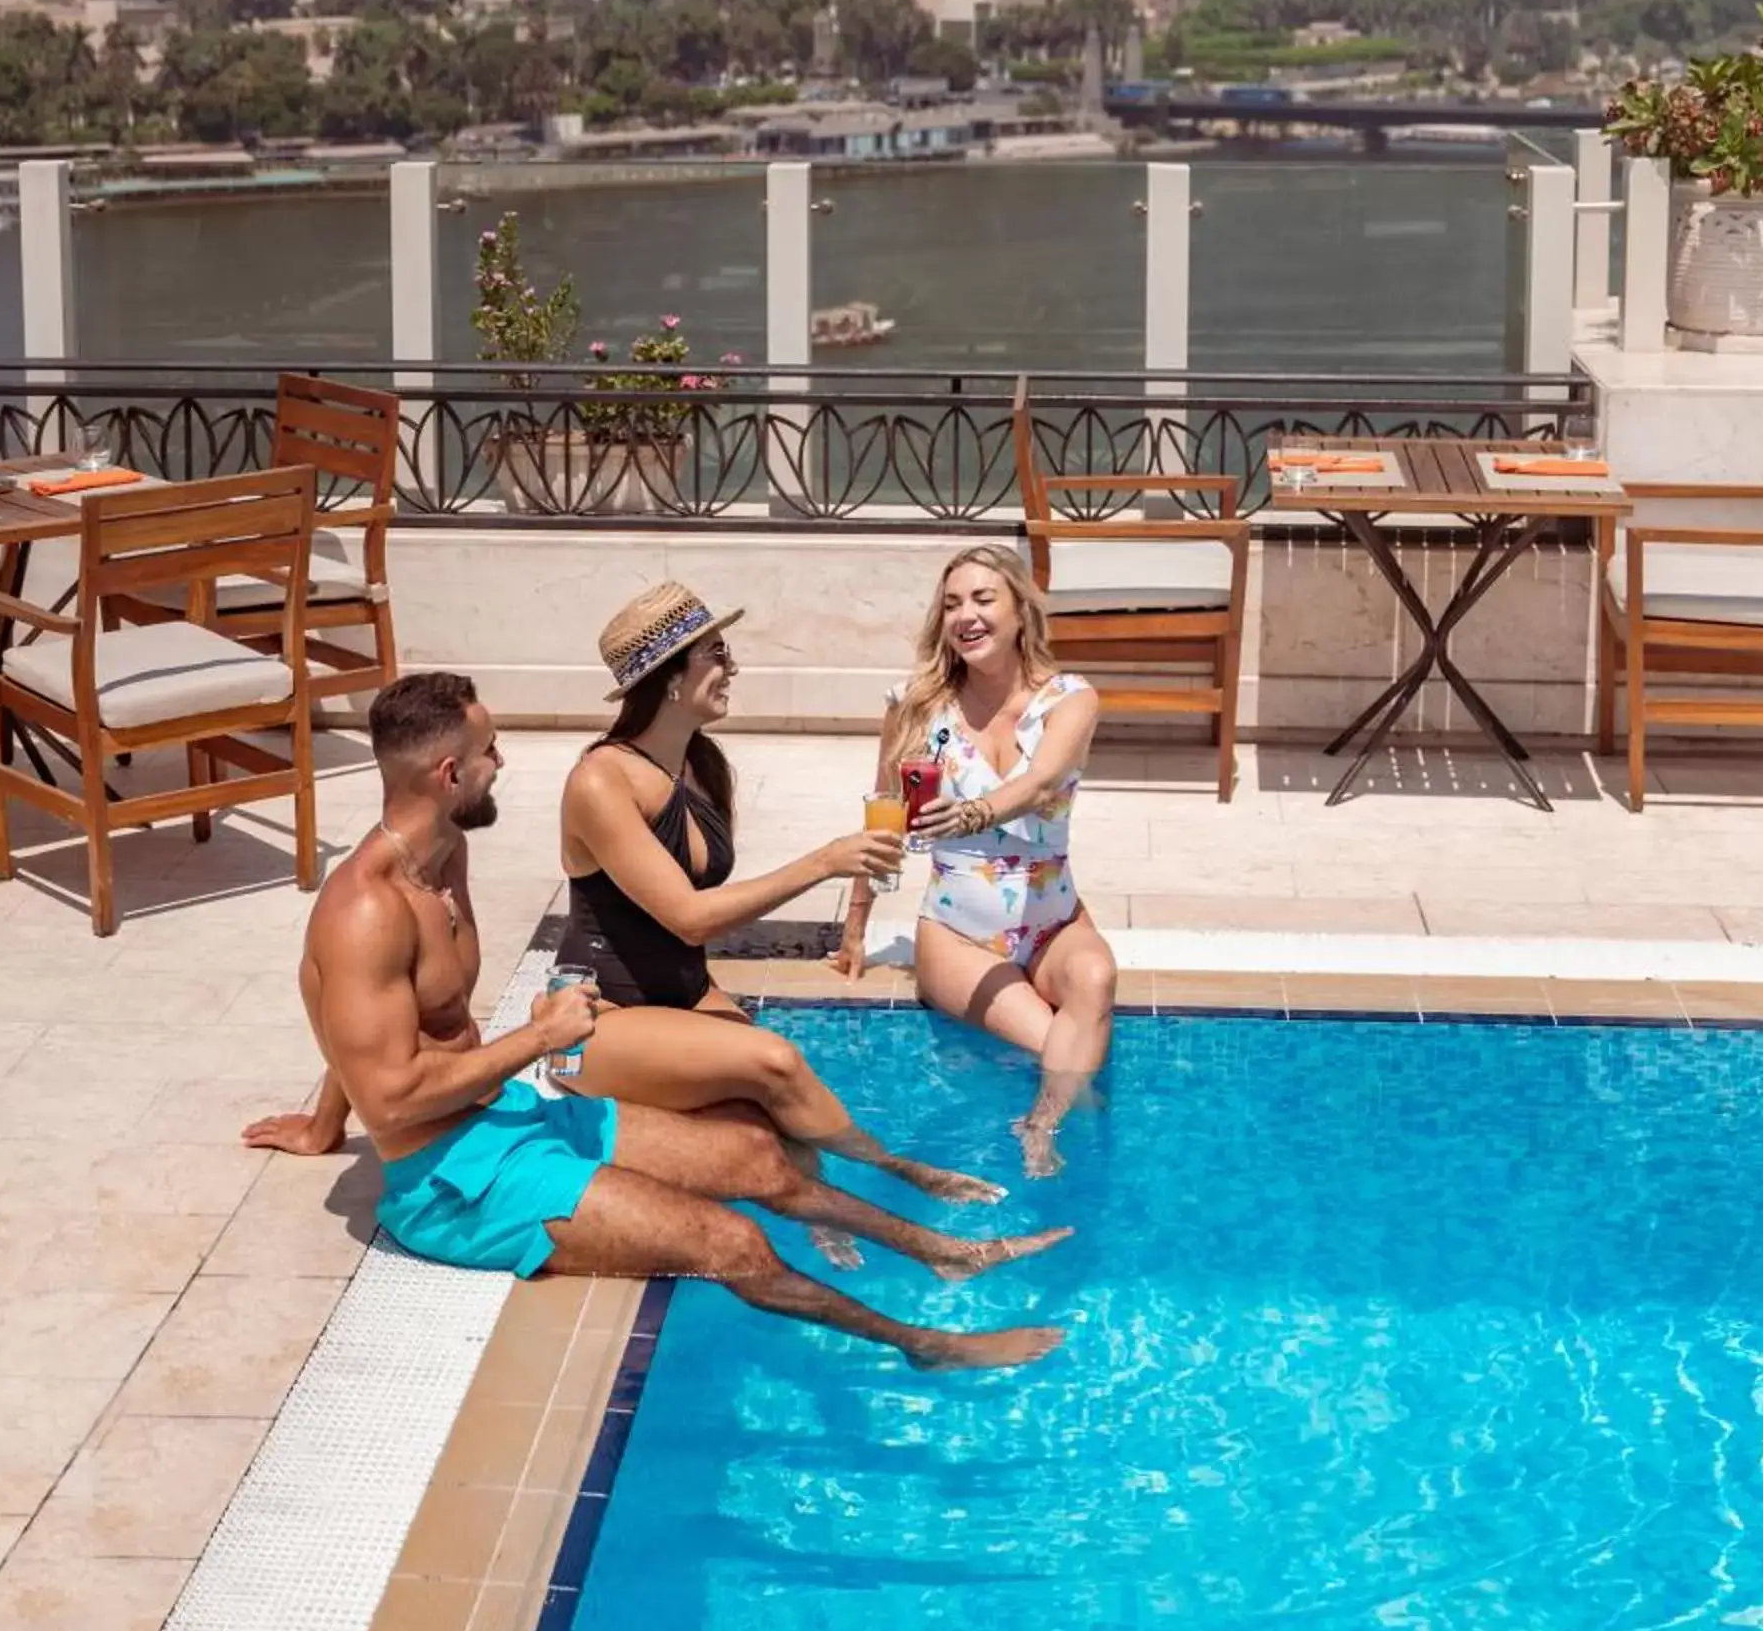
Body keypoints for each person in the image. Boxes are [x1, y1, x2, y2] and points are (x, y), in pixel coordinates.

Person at [243, 669, 1065, 1370]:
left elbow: (368, 1030)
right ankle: (924, 1343)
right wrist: (538, 1038)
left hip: (500, 1117)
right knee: (731, 1245)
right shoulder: (366, 911)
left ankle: (949, 1255)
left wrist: (323, 1125)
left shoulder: (443, 851)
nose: (504, 761)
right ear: (448, 773)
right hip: (450, 1182)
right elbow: (389, 1095)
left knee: (754, 1153)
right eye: (490, 750)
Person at [555, 582, 1004, 1227]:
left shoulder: (703, 767)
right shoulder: (599, 779)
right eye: (717, 654)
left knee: (770, 1127)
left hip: (677, 994)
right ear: (670, 677)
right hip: (590, 1019)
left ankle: (830, 1218)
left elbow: (681, 927)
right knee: (777, 1062)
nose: (732, 668)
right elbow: (689, 916)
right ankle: (899, 1175)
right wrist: (825, 861)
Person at [885, 544, 1116, 1178]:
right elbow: (882, 810)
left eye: (984, 599)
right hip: (960, 936)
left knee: (1095, 978)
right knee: (1061, 1047)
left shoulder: (1071, 699)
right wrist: (854, 926)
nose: (967, 616)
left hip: (1054, 923)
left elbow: (1042, 784)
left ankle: (1040, 1123)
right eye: (953, 604)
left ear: (1020, 612)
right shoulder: (919, 706)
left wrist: (970, 813)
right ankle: (1069, 1122)